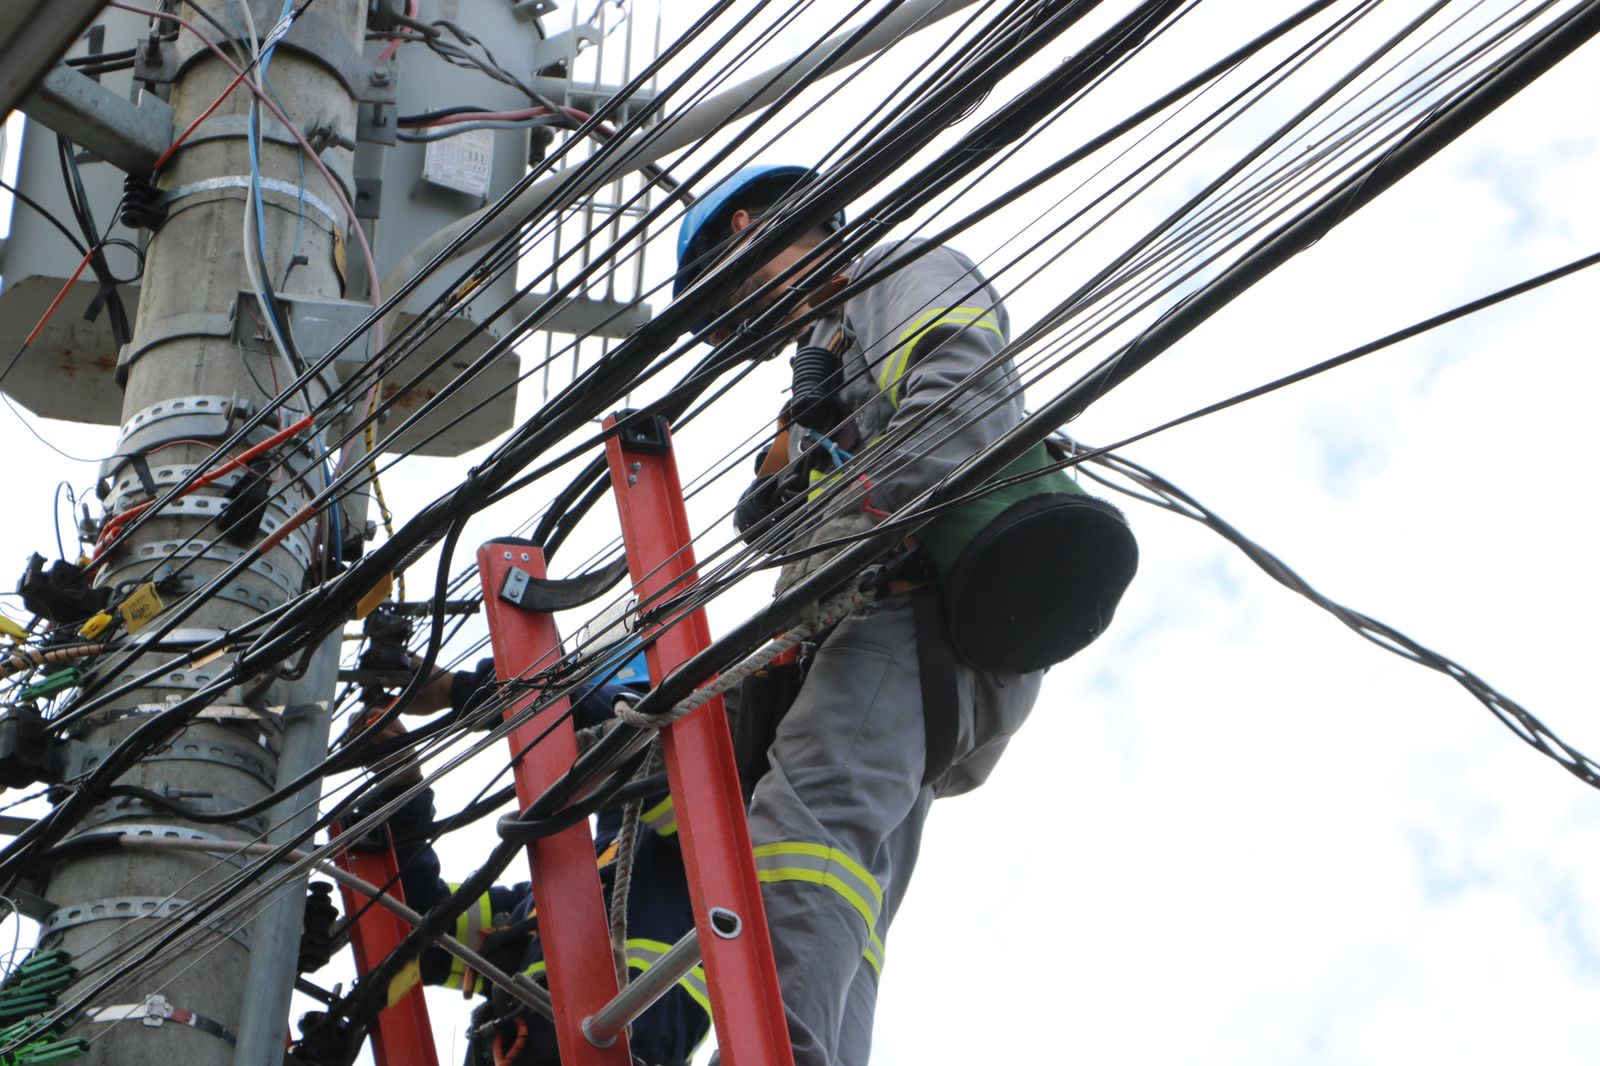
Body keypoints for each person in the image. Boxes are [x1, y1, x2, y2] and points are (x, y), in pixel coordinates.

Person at [675, 165, 1048, 1066]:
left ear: (750, 230)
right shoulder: (830, 358)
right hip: (889, 640)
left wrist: (828, 508)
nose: (738, 336)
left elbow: (960, 411)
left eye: (725, 306)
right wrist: (791, 500)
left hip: (906, 613)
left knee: (800, 842)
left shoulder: (894, 272)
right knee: (846, 881)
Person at [357, 652, 713, 1066]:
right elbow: (425, 923)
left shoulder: (698, 839)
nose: (599, 735)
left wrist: (458, 688)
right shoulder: (553, 890)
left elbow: (622, 731)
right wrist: (405, 792)